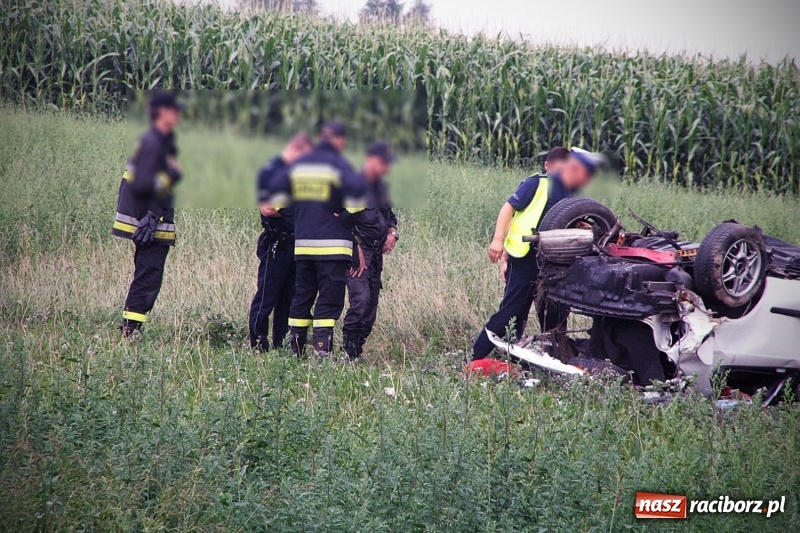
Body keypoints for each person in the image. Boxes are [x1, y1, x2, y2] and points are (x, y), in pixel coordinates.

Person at [471, 146, 604, 360]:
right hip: (526, 257)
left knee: (556, 314)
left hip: (557, 262)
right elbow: (509, 209)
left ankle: (554, 362)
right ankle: (474, 358)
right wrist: (498, 242)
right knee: (512, 312)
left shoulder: (572, 194)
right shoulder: (537, 183)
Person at [267, 121, 367, 356]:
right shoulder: (340, 165)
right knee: (329, 301)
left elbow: (278, 203)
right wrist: (341, 219)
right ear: (339, 140)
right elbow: (358, 204)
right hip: (334, 248)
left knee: (301, 297)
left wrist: (301, 221)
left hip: (303, 247)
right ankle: (322, 353)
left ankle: (296, 352)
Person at [112, 91, 183, 337]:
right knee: (149, 273)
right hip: (150, 218)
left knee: (145, 271)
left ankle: (130, 324)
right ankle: (132, 329)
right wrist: (154, 216)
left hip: (143, 215)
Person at [248, 132, 313, 351]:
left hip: (296, 243)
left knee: (290, 298)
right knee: (267, 295)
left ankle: (281, 344)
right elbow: (268, 208)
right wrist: (296, 214)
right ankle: (258, 344)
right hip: (277, 242)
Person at [342, 142, 399, 360]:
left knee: (371, 306)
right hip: (359, 250)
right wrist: (356, 252)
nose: (387, 168)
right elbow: (342, 221)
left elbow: (390, 217)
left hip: (375, 253)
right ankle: (348, 353)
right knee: (361, 300)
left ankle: (357, 351)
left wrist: (393, 234)